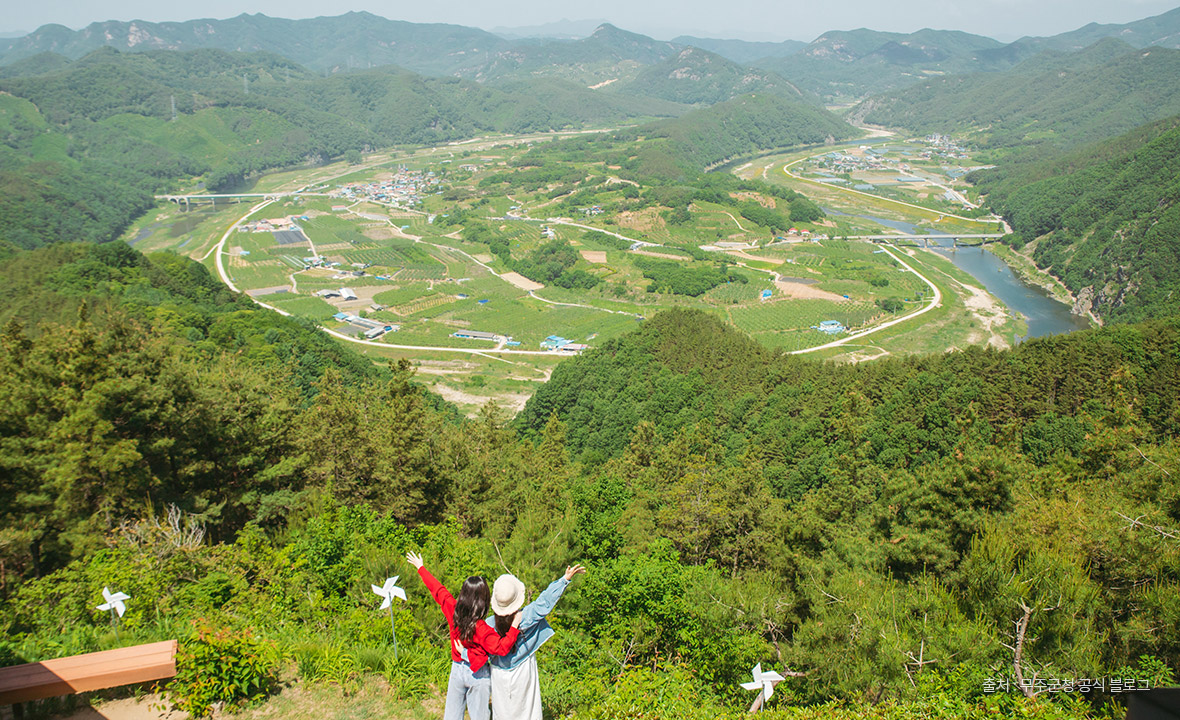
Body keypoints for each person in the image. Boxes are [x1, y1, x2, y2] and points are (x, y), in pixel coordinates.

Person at [406, 551, 522, 720]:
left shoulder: (453, 611)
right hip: (478, 675)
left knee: (452, 716)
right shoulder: (482, 629)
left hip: (457, 670)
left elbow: (438, 590)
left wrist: (421, 568)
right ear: (483, 601)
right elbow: (502, 648)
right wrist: (514, 626)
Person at [470, 564, 587, 720]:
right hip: (524, 670)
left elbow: (474, 643)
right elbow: (544, 603)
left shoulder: (488, 625)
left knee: (502, 713)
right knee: (528, 712)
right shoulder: (525, 618)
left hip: (499, 674)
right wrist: (564, 580)